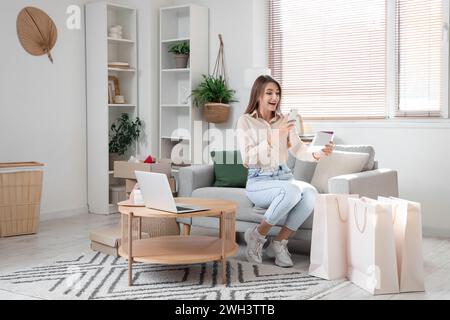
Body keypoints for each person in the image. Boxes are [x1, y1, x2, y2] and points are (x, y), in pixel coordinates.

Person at [236, 75, 334, 267]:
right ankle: (257, 236)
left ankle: (279, 243)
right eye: (269, 93)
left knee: (310, 193)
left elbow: (298, 149)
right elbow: (247, 159)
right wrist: (274, 137)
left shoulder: (284, 121)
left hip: (284, 176)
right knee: (292, 191)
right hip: (259, 179)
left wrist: (318, 154)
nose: (275, 97)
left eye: (278, 93)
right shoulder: (245, 121)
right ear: (257, 95)